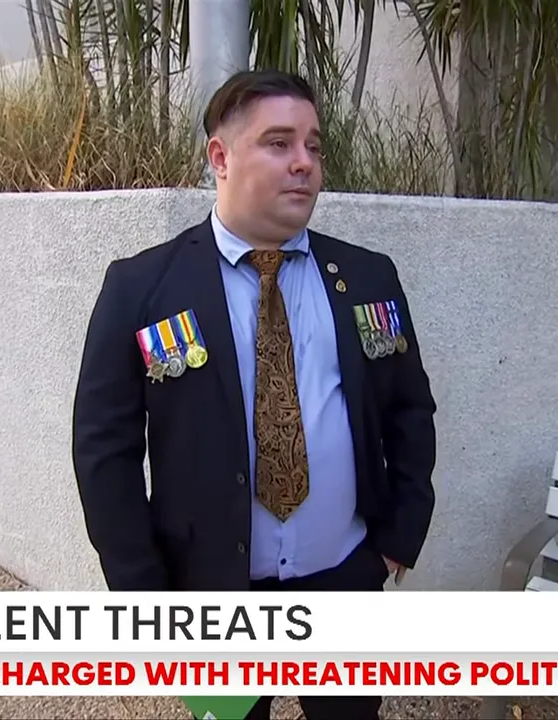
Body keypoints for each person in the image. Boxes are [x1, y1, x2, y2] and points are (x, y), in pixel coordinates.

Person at [71, 69, 438, 719]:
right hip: (211, 595)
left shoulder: (367, 277)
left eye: (314, 146)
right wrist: (144, 596)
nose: (304, 163)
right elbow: (105, 452)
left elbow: (410, 412)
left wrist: (396, 538)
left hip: (345, 579)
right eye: (279, 143)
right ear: (221, 156)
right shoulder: (142, 288)